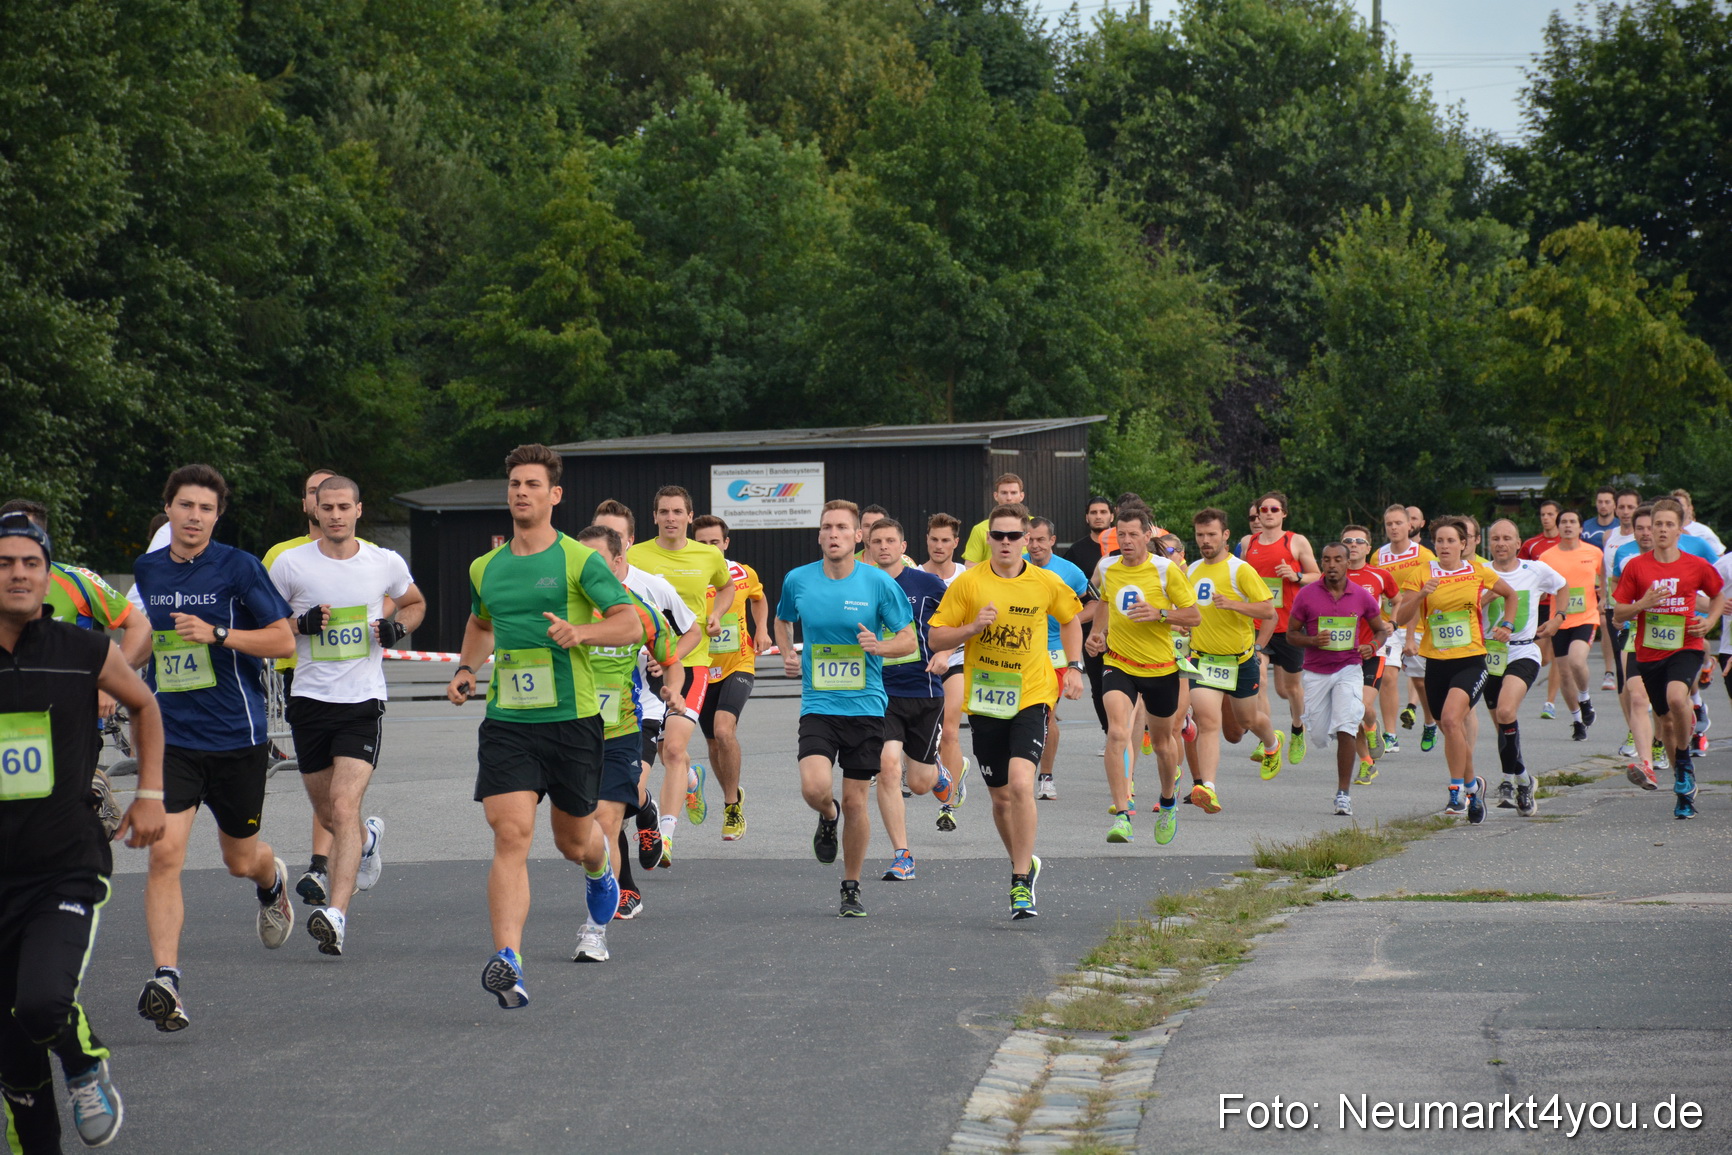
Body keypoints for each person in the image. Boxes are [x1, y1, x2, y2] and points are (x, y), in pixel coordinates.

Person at [445, 445, 639, 1007]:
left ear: (554, 495)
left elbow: (628, 624)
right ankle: (509, 957)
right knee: (510, 834)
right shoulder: (487, 566)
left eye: (532, 484)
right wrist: (465, 668)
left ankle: (601, 869)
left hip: (573, 721)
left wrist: (582, 633)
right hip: (508, 721)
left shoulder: (580, 560)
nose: (520, 492)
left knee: (574, 840)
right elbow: (482, 623)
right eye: (513, 484)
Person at [0, 513, 168, 1151]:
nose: (18, 573)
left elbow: (145, 704)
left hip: (62, 864)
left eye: (30, 563)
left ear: (48, 576)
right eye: (5, 562)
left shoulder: (84, 649)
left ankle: (82, 1060)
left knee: (42, 1004)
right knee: (14, 1061)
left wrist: (150, 793)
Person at [131, 465, 298, 1032]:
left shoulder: (238, 566)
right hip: (172, 737)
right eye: (185, 506)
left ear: (216, 515)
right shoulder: (148, 570)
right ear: (169, 510)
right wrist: (110, 681)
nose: (194, 517)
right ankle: (166, 979)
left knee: (238, 859)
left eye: (205, 508)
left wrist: (219, 633)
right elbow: (144, 637)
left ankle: (270, 880)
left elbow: (281, 638)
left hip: (236, 738)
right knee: (165, 854)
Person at [267, 476, 424, 955]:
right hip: (309, 699)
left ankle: (335, 914)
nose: (335, 514)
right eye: (327, 506)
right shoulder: (290, 565)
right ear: (314, 510)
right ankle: (368, 840)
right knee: (328, 814)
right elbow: (263, 624)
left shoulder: (383, 562)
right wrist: (300, 625)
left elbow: (415, 603)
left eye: (343, 507)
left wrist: (398, 627)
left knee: (342, 806)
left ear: (359, 509)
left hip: (362, 701)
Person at [929, 504, 1084, 919]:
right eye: (998, 535)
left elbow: (1072, 620)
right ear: (989, 538)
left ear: (1027, 540)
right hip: (985, 700)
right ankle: (1024, 859)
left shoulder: (1045, 582)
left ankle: (1019, 880)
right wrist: (971, 629)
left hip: (1032, 694)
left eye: (1014, 536)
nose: (1005, 543)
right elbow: (935, 635)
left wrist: (1074, 667)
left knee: (1020, 784)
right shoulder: (969, 583)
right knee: (999, 799)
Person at [773, 501, 916, 917]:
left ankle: (850, 885)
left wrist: (880, 645)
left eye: (841, 528)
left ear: (858, 537)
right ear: (819, 536)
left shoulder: (877, 583)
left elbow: (909, 640)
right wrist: (787, 652)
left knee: (857, 801)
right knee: (815, 788)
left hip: (867, 706)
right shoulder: (798, 580)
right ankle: (827, 814)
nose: (833, 534)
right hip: (818, 703)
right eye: (826, 527)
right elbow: (783, 620)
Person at [571, 524, 682, 955]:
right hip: (567, 732)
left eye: (596, 562)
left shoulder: (641, 612)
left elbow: (673, 660)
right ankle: (606, 880)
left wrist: (672, 686)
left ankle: (595, 930)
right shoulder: (563, 608)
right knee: (576, 840)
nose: (587, 572)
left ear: (619, 563)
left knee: (604, 823)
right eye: (581, 564)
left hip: (619, 732)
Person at [590, 499, 699, 890]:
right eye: (599, 533)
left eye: (615, 536)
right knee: (602, 811)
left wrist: (668, 668)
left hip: (642, 707)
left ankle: (644, 817)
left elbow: (692, 632)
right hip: (588, 712)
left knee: (621, 799)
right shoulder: (576, 592)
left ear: (627, 544)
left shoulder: (651, 589)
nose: (605, 544)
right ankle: (625, 887)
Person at [626, 486, 734, 865]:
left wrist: (716, 614)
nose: (670, 517)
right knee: (660, 743)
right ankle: (690, 779)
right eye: (663, 511)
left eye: (677, 511)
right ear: (654, 517)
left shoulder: (707, 554)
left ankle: (666, 837)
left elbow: (727, 587)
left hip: (692, 660)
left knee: (673, 749)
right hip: (642, 664)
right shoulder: (634, 555)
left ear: (690, 517)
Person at [260, 466, 346, 906]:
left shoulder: (361, 552)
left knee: (339, 780)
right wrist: (297, 625)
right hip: (297, 673)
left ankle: (319, 864)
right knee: (321, 779)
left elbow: (393, 595)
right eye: (315, 493)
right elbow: (261, 613)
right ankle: (360, 839)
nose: (322, 500)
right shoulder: (283, 555)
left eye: (331, 494)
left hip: (348, 679)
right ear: (306, 503)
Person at [1087, 507, 1200, 844]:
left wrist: (1160, 613)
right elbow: (1105, 602)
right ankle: (1122, 814)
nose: (1126, 540)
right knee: (1117, 732)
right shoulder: (1107, 567)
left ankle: (1168, 802)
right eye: (1120, 535)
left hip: (1161, 667)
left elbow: (1193, 616)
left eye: (1133, 534)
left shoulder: (1165, 570)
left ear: (1147, 536)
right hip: (1119, 662)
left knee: (1164, 743)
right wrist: (1097, 634)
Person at [1393, 517, 1516, 823]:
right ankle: (1475, 786)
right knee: (1451, 728)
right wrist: (1421, 595)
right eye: (1440, 541)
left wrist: (1507, 624)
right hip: (1435, 662)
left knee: (1449, 720)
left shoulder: (1477, 571)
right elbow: (1402, 614)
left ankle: (1456, 790)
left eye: (1451, 541)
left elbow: (1510, 594)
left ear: (1464, 544)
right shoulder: (1422, 572)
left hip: (1471, 659)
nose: (1444, 546)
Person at [1613, 498, 1726, 819]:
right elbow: (1618, 613)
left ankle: (1685, 767)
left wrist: (1710, 621)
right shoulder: (1636, 566)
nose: (1662, 530)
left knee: (1678, 697)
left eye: (1667, 524)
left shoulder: (1695, 565)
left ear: (1679, 529)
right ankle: (1683, 781)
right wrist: (1643, 603)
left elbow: (1718, 594)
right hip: (1649, 652)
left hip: (1686, 645)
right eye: (1657, 524)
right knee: (1664, 721)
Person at [863, 518, 958, 881]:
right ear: (868, 547)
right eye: (877, 541)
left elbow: (954, 624)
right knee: (888, 765)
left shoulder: (927, 583)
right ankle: (902, 854)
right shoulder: (860, 584)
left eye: (891, 540)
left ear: (903, 546)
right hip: (879, 691)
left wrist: (946, 654)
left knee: (917, 783)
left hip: (924, 690)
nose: (884, 546)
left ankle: (939, 774)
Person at [1185, 509, 1282, 810]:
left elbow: (1268, 611)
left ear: (1225, 535)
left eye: (1211, 534)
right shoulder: (1191, 570)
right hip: (1203, 659)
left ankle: (1272, 743)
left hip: (1239, 662)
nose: (1205, 540)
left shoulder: (1240, 570)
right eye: (1200, 535)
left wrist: (1234, 605)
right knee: (1208, 722)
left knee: (1247, 720)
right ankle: (1208, 788)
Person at [1287, 543, 1388, 816]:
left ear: (1347, 563)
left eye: (1338, 560)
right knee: (1320, 735)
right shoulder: (1307, 595)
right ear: (1322, 563)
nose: (1332, 565)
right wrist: (1311, 640)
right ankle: (1329, 731)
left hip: (1349, 668)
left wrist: (1373, 646)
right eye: (1327, 559)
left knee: (1346, 725)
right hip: (1316, 673)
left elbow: (1381, 630)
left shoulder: (1361, 596)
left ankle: (1343, 794)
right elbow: (1290, 634)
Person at [1480, 519, 1565, 815]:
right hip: (1490, 655)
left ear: (1518, 543)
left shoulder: (1534, 570)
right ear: (1489, 544)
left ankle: (1506, 781)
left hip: (1524, 651)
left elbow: (1563, 587)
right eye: (1495, 538)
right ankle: (1523, 779)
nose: (1501, 543)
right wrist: (1483, 601)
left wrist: (1558, 618)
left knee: (1505, 712)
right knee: (1502, 724)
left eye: (1507, 538)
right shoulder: (1481, 573)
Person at [691, 515, 766, 842]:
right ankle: (731, 794)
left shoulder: (742, 573)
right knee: (712, 742)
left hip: (739, 663)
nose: (709, 548)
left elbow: (759, 599)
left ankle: (732, 805)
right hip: (702, 668)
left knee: (724, 729)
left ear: (725, 544)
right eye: (702, 543)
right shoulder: (688, 577)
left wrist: (761, 628)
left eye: (714, 542)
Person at [1240, 492, 1319, 765]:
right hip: (1258, 623)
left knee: (1291, 689)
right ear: (1258, 513)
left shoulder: (1295, 541)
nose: (1268, 513)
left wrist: (1296, 576)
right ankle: (1268, 739)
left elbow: (1316, 575)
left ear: (1283, 513)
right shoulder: (1247, 543)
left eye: (1274, 509)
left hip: (1289, 625)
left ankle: (1298, 728)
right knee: (1259, 680)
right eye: (1264, 509)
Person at [1027, 517, 1090, 800]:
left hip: (1055, 652)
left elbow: (1096, 602)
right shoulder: (1017, 565)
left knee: (1045, 712)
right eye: (1029, 539)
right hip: (1021, 651)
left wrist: (1072, 620)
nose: (1034, 545)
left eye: (1041, 539)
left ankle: (1046, 776)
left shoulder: (1070, 572)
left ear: (1052, 540)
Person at [921, 513, 971, 831]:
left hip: (956, 663)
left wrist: (946, 652)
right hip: (920, 666)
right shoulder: (913, 575)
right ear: (927, 540)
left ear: (956, 543)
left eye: (945, 540)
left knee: (950, 731)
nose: (939, 546)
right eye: (934, 539)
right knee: (927, 740)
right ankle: (954, 770)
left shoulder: (966, 578)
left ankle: (947, 805)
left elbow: (970, 627)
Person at [1536, 510, 1604, 741]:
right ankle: (1577, 720)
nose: (1567, 526)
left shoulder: (1593, 552)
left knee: (1577, 660)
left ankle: (1585, 699)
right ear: (1558, 527)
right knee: (1564, 674)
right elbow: (1539, 587)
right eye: (1563, 522)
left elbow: (1604, 580)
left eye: (1572, 522)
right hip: (1560, 619)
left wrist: (1604, 598)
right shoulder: (1546, 557)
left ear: (1580, 527)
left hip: (1586, 617)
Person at [1610, 508, 1665, 784]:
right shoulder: (1630, 561)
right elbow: (1618, 599)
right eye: (1640, 528)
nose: (1646, 533)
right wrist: (1623, 614)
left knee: (1669, 703)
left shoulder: (1685, 561)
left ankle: (1661, 740)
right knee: (1637, 696)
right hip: (1636, 635)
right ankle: (1646, 765)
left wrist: (1711, 614)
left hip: (1673, 640)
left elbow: (1702, 597)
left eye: (1650, 528)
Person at [1340, 526, 1398, 783]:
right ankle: (1366, 763)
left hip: (1373, 648)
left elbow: (1397, 599)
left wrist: (1392, 623)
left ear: (1368, 547)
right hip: (1342, 653)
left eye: (1359, 541)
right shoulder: (1331, 576)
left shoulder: (1379, 575)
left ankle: (1373, 728)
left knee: (1362, 707)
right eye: (1348, 541)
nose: (1353, 545)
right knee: (1348, 715)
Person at [1377, 504, 1437, 753]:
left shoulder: (1424, 556)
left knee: (1421, 683)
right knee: (1388, 676)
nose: (1393, 527)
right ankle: (1390, 735)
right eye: (1389, 524)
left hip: (1418, 625)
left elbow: (1430, 595)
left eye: (1398, 523)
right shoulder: (1378, 555)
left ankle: (1430, 722)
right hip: (1388, 625)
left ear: (1409, 526)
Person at [1063, 497, 1117, 746]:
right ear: (1087, 517)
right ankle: (1110, 734)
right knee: (1098, 684)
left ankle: (1131, 730)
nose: (1098, 516)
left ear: (1112, 516)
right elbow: (1069, 592)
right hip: (1090, 628)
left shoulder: (1122, 547)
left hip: (1122, 628)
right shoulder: (1076, 551)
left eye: (1103, 512)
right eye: (1093, 512)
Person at [960, 474, 1027, 567]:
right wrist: (997, 572)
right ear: (996, 496)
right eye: (1004, 493)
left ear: (1022, 495)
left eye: (1013, 493)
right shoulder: (979, 529)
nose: (1009, 498)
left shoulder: (1034, 526)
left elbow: (1048, 558)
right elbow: (969, 565)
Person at [1671, 489, 1726, 556]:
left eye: (1681, 505)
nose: (1677, 508)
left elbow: (1720, 558)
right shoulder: (1665, 530)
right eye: (1674, 505)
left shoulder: (1704, 531)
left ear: (1690, 508)